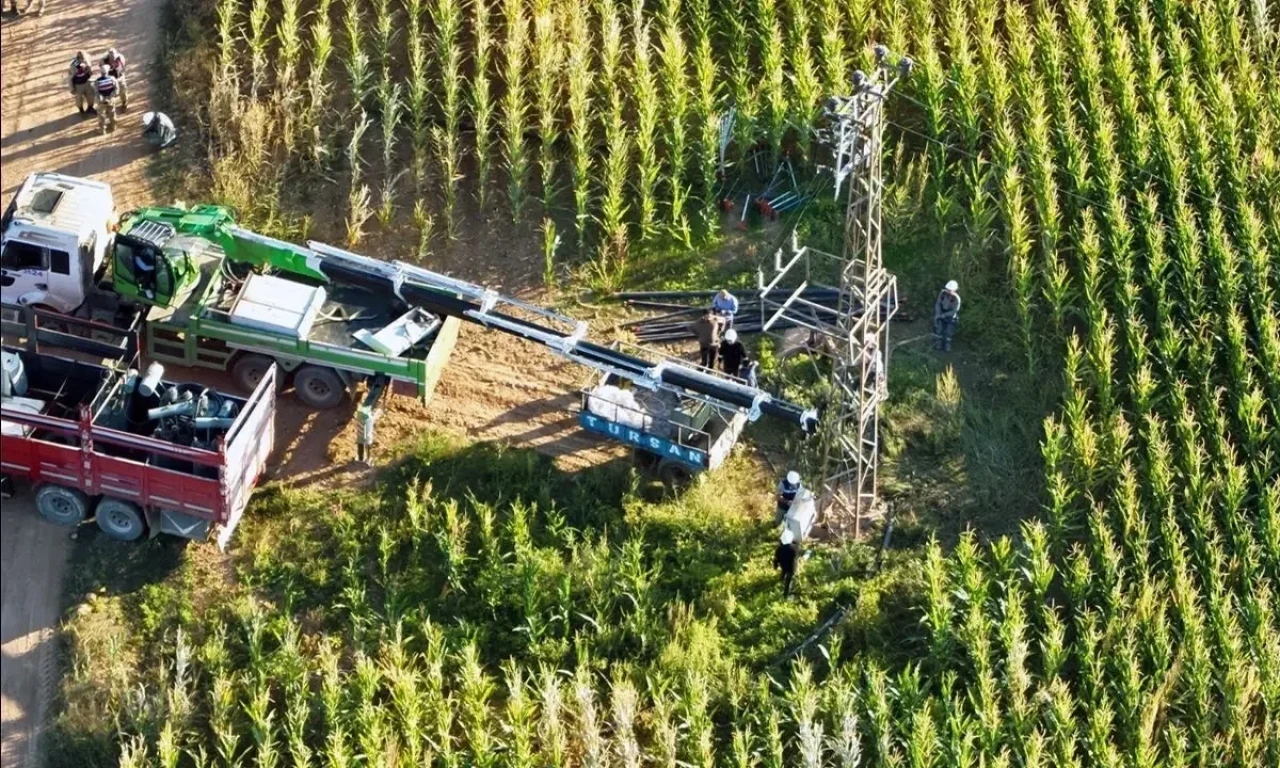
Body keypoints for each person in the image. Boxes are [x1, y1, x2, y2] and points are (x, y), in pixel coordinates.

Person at [934, 280, 961, 351]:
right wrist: (938, 314)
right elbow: (938, 304)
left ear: (954, 290)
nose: (948, 291)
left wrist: (944, 315)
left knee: (948, 332)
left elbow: (954, 311)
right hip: (941, 313)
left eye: (950, 290)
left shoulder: (957, 299)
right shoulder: (942, 294)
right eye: (947, 289)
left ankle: (947, 345)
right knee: (939, 329)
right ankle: (938, 343)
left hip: (951, 317)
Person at [93, 63, 119, 134]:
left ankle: (102, 130)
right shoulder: (112, 79)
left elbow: (96, 92)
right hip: (111, 99)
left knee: (101, 115)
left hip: (101, 101)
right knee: (112, 113)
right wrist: (111, 96)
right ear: (108, 71)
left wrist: (101, 98)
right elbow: (116, 90)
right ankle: (113, 126)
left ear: (101, 72)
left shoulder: (97, 81)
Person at [773, 529, 799, 597]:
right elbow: (795, 557)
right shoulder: (794, 548)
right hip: (791, 567)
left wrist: (775, 567)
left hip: (783, 566)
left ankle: (781, 580)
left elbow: (776, 559)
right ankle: (786, 595)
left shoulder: (779, 549)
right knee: (788, 581)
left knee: (783, 572)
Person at [69, 51, 95, 116]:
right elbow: (71, 77)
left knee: (91, 96)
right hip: (78, 85)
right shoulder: (74, 65)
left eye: (84, 58)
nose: (84, 60)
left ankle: (90, 107)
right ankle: (81, 110)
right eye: (82, 59)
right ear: (79, 58)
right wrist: (72, 88)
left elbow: (90, 71)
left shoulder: (86, 61)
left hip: (86, 82)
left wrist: (89, 69)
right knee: (79, 98)